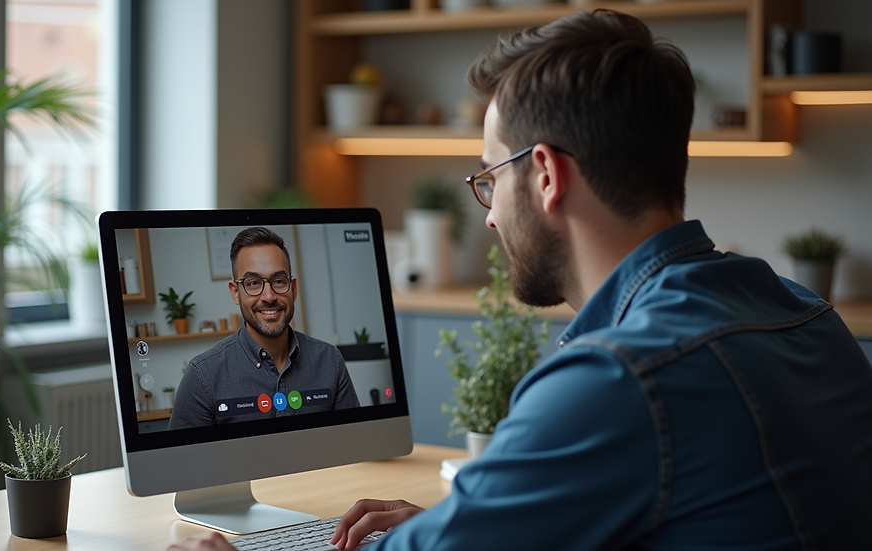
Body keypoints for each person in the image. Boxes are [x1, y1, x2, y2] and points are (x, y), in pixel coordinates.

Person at [167, 9, 872, 550]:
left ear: (544, 175)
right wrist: (468, 518)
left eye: (488, 178)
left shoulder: (618, 378)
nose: (489, 219)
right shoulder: (805, 312)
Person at [169, 226, 359, 429]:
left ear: (293, 289)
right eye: (253, 283)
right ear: (235, 292)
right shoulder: (202, 375)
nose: (268, 297)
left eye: (278, 281)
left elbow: (355, 442)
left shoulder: (330, 360)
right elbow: (182, 460)